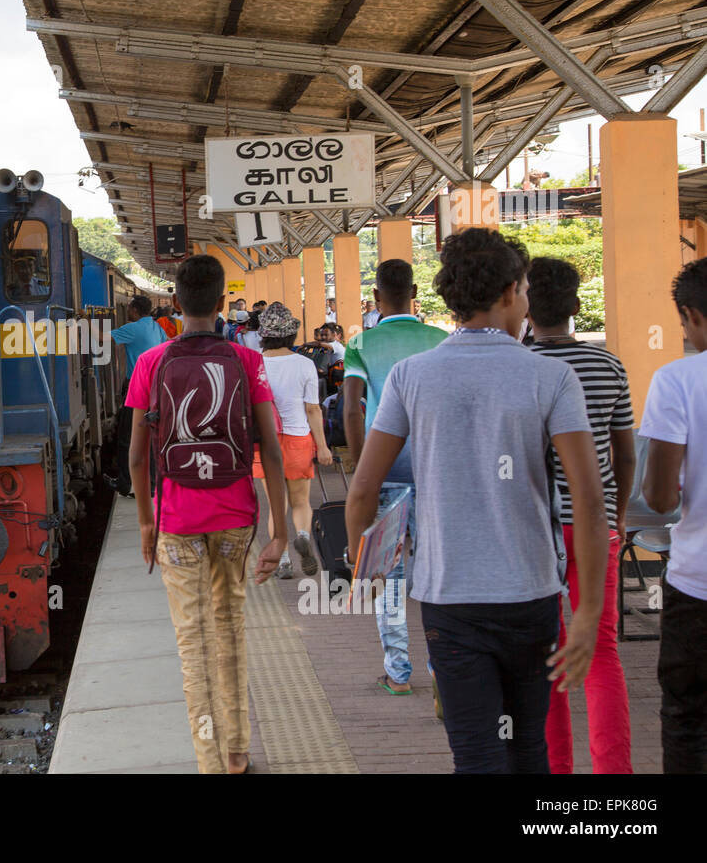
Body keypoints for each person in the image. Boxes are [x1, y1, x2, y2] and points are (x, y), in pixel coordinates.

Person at [345, 228, 608, 774]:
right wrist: (586, 615)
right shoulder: (551, 376)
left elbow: (364, 490)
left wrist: (364, 568)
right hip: (530, 595)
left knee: (476, 754)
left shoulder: (409, 377)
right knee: (527, 748)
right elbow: (587, 496)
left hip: (449, 600)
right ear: (512, 292)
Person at [126, 254, 288, 775]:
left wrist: (146, 523)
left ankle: (210, 763)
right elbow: (272, 448)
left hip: (176, 519)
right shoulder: (247, 361)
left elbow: (137, 456)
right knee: (231, 629)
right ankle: (238, 753)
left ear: (175, 304)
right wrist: (280, 531)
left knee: (192, 644)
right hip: (236, 515)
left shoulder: (151, 362)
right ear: (222, 305)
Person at [526, 257, 635, 775]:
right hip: (598, 527)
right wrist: (618, 512)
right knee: (602, 651)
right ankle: (614, 775)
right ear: (575, 307)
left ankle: (556, 771)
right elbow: (625, 452)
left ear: (525, 304)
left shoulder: (522, 365)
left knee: (548, 653)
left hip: (536, 530)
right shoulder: (609, 366)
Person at [341, 259, 448, 697]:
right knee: (439, 572)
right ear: (416, 291)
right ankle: (444, 666)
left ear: (377, 297)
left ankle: (398, 673)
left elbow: (351, 410)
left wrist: (360, 467)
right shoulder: (443, 341)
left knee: (389, 575)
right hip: (437, 471)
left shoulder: (361, 342)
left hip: (383, 472)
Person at [641, 256, 707, 774]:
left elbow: (660, 497)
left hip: (698, 585)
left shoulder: (677, 380)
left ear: (692, 315)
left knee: (687, 720)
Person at [255, 302, 332, 579]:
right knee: (300, 501)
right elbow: (313, 409)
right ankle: (302, 535)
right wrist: (322, 446)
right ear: (291, 334)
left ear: (263, 334)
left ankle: (284, 560)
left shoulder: (255, 363)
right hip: (299, 438)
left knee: (277, 505)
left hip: (266, 443)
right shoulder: (305, 364)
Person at [103, 295, 167, 496]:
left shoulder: (134, 328)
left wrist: (84, 322)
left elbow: (101, 338)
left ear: (135, 310)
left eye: (129, 308)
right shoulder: (156, 328)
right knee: (150, 437)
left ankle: (125, 483)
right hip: (156, 388)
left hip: (138, 387)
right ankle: (151, 485)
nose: (127, 311)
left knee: (126, 438)